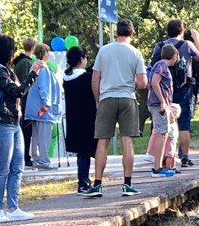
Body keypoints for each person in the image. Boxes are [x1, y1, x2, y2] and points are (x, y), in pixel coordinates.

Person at [0, 34, 44, 222]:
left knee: (18, 166)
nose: (13, 53)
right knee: (3, 168)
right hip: (0, 124)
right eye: (11, 49)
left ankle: (14, 207)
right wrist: (33, 73)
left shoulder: (3, 69)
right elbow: (17, 91)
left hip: (12, 122)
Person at [84, 19, 147, 198]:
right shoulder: (135, 53)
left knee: (102, 141)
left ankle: (97, 184)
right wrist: (130, 81)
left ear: (117, 32)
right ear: (132, 34)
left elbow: (95, 79)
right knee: (127, 140)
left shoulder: (104, 51)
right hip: (127, 98)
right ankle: (127, 184)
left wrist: (98, 100)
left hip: (107, 98)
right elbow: (143, 83)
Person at [150, 20, 199, 169]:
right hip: (183, 88)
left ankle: (161, 158)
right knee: (184, 124)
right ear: (182, 31)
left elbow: (153, 65)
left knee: (163, 125)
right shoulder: (187, 45)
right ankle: (185, 157)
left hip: (164, 88)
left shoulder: (159, 46)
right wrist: (197, 39)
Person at [62, 46, 96, 195]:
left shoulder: (66, 76)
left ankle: (83, 180)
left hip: (73, 116)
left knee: (81, 152)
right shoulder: (86, 77)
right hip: (88, 117)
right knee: (88, 151)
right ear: (82, 59)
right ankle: (85, 182)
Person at [26, 43, 60, 170]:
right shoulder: (44, 68)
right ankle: (44, 160)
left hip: (34, 107)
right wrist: (47, 103)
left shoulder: (35, 66)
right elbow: (44, 88)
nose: (49, 54)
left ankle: (36, 158)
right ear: (44, 53)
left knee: (36, 134)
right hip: (43, 108)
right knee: (44, 135)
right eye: (48, 52)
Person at [146, 44, 178, 177]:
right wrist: (163, 101)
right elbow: (154, 83)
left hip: (162, 104)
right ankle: (157, 167)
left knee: (164, 134)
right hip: (159, 105)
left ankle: (159, 165)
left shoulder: (161, 65)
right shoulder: (161, 65)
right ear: (174, 55)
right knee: (161, 133)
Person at [13, 37, 37, 168]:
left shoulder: (19, 62)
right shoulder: (27, 64)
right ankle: (25, 156)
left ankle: (25, 155)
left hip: (22, 101)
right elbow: (26, 83)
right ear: (33, 47)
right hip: (25, 101)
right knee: (26, 131)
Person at [163, 103, 181, 172]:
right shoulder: (169, 124)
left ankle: (173, 167)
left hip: (173, 140)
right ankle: (168, 167)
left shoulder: (174, 122)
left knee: (173, 154)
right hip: (170, 139)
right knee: (169, 154)